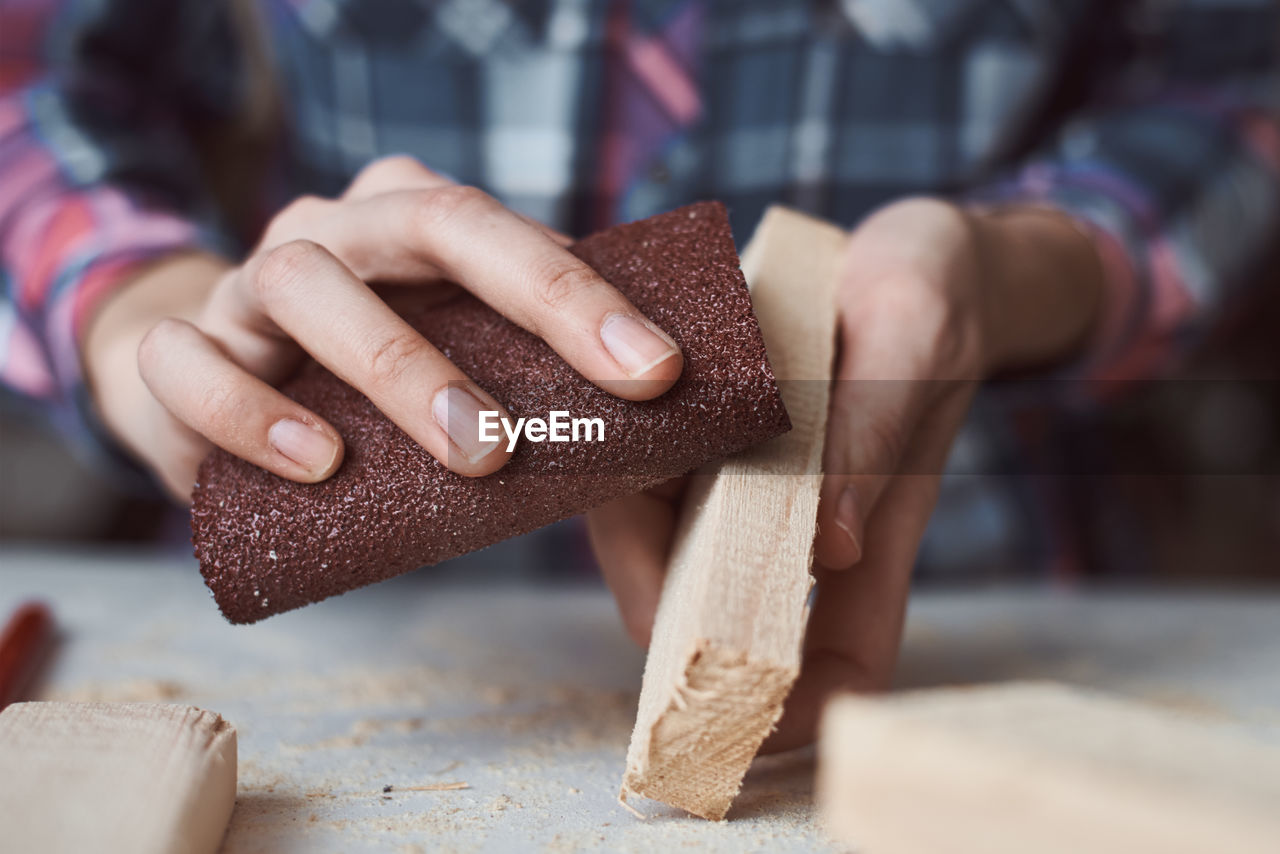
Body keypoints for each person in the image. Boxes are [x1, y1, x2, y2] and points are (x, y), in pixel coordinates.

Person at [2, 0, 1276, 750]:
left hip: (968, 610)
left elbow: (1231, 85)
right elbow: (47, 83)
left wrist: (1029, 270)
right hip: (345, 663)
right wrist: (141, 314)